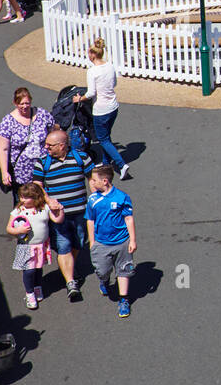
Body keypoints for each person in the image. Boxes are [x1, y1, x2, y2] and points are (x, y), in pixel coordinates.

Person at [35, 129, 94, 301]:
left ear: (62, 146)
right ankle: (71, 283)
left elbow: (92, 178)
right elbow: (37, 185)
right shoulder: (42, 162)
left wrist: (95, 201)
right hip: (58, 215)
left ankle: (71, 266)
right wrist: (48, 200)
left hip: (81, 213)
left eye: (50, 145)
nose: (46, 147)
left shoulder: (81, 157)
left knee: (79, 242)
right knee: (63, 246)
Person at [85, 164, 137, 318]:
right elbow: (90, 221)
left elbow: (128, 219)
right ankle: (104, 280)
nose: (92, 183)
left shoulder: (122, 197)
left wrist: (132, 240)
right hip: (101, 243)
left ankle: (123, 299)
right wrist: (92, 242)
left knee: (123, 270)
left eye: (94, 180)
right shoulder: (93, 199)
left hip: (122, 241)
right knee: (102, 270)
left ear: (105, 181)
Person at [75, 38, 128, 179]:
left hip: (101, 109)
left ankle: (121, 164)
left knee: (103, 139)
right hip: (113, 107)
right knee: (107, 136)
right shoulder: (110, 66)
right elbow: (114, 83)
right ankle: (106, 163)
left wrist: (79, 98)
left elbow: (91, 93)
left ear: (92, 54)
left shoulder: (92, 71)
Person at [0, 87, 56, 207]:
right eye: (21, 104)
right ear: (15, 103)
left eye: (27, 103)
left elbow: (53, 132)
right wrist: (4, 172)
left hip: (43, 168)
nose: (24, 106)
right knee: (23, 203)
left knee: (43, 200)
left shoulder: (42, 114)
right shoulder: (8, 122)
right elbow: (3, 149)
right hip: (21, 173)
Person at [7, 183, 59, 310]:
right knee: (29, 270)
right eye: (21, 197)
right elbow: (9, 228)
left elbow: (57, 219)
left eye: (26, 197)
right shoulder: (18, 211)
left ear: (35, 197)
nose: (22, 200)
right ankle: (29, 293)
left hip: (41, 245)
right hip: (26, 246)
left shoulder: (44, 208)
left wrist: (59, 208)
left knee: (38, 267)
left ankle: (37, 287)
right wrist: (18, 230)